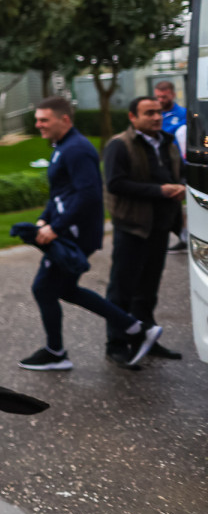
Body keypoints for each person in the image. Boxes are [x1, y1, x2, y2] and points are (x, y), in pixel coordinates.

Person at [19, 96, 163, 372]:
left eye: (44, 120)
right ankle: (135, 328)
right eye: (37, 119)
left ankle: (57, 352)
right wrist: (44, 218)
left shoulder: (77, 149)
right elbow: (61, 192)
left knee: (43, 288)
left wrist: (56, 228)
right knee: (64, 289)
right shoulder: (63, 146)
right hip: (68, 231)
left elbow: (89, 195)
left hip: (74, 236)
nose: (38, 125)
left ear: (64, 119)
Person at [102, 96, 185, 366]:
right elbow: (115, 184)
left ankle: (145, 338)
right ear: (132, 117)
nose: (156, 117)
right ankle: (116, 343)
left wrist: (181, 186)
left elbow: (176, 173)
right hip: (133, 228)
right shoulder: (120, 144)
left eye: (158, 112)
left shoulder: (166, 141)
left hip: (159, 227)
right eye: (149, 113)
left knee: (148, 290)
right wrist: (160, 191)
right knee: (121, 290)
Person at [153, 80, 189, 251]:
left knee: (180, 200)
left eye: (164, 96)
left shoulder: (183, 114)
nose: (161, 100)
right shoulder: (155, 114)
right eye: (158, 96)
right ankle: (183, 236)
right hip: (160, 164)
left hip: (179, 164)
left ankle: (186, 236)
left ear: (173, 95)